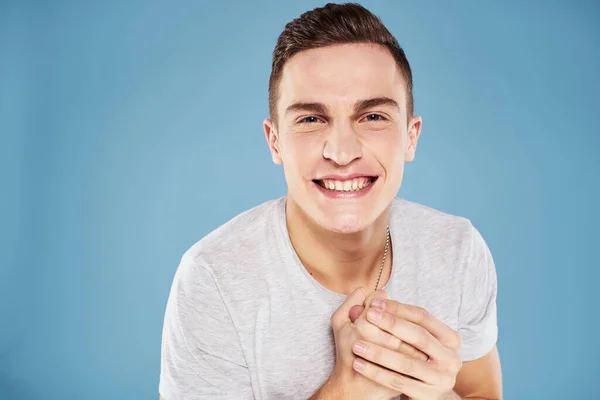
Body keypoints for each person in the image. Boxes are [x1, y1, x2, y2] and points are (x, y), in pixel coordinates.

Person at [159, 3, 502, 399]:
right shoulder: (213, 278)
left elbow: (482, 393)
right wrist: (348, 388)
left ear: (411, 135)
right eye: (311, 119)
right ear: (275, 141)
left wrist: (434, 393)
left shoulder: (458, 249)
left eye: (372, 117)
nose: (341, 153)